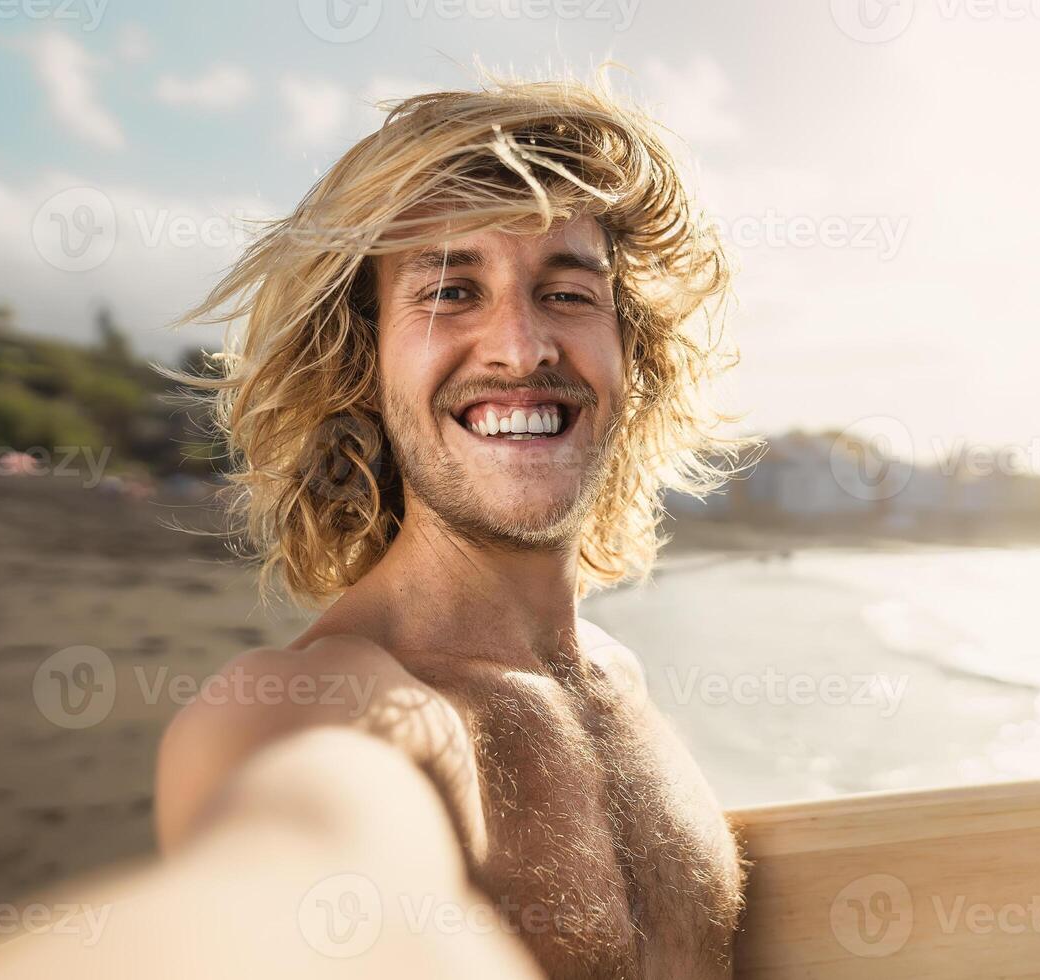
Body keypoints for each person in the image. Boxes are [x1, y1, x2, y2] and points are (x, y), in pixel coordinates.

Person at [151, 77, 751, 978]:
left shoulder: (624, 687)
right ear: (364, 358)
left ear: (632, 352)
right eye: (451, 291)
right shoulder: (314, 709)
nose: (521, 347)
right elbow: (289, 853)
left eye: (568, 293)